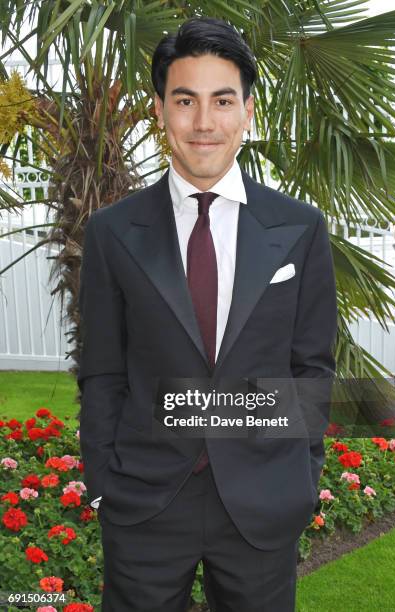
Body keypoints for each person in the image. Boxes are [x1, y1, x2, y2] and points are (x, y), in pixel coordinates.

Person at [77, 16, 338, 612]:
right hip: (145, 505)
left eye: (222, 101)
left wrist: (300, 478)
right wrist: (103, 488)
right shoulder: (112, 232)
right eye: (185, 100)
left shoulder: (298, 229)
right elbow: (102, 372)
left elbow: (312, 366)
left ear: (247, 109)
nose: (203, 123)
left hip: (262, 503)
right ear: (160, 110)